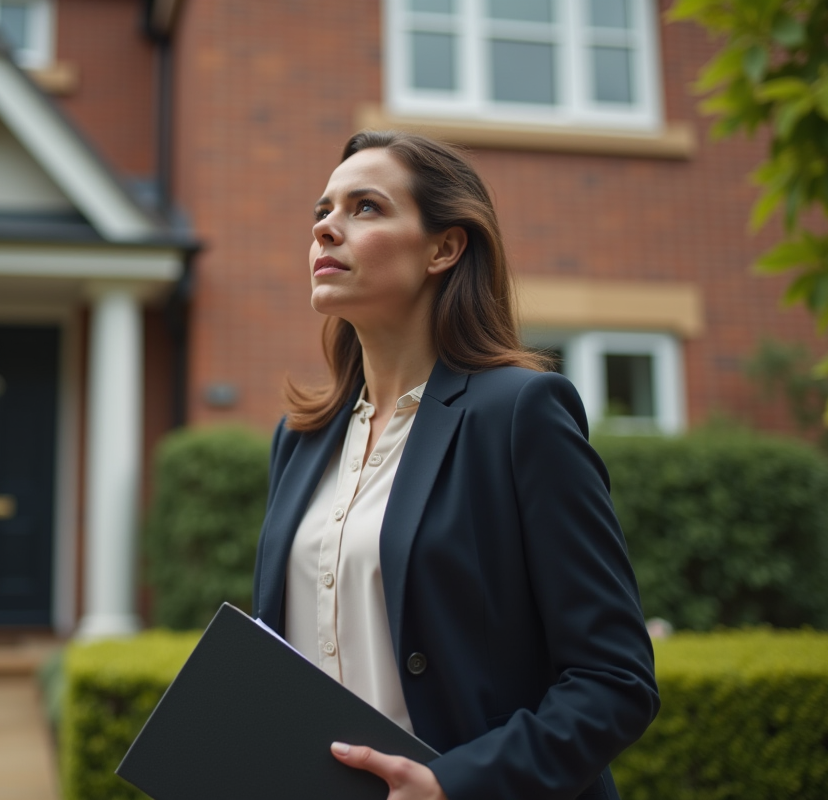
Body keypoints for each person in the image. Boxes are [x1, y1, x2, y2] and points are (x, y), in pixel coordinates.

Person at [251, 130, 659, 800]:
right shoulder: (301, 439)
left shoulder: (522, 413)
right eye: (322, 210)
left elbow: (614, 682)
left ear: (444, 247)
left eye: (366, 208)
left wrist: (451, 785)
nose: (326, 228)